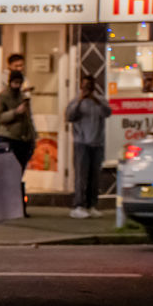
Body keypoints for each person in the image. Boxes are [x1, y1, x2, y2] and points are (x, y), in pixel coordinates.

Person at [65, 75, 112, 219]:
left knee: (94, 176)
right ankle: (79, 205)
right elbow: (69, 116)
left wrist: (96, 100)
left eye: (89, 87)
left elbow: (108, 112)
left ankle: (92, 205)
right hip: (81, 144)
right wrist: (80, 100)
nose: (87, 89)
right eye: (85, 86)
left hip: (97, 143)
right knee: (81, 176)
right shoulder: (75, 101)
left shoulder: (100, 101)